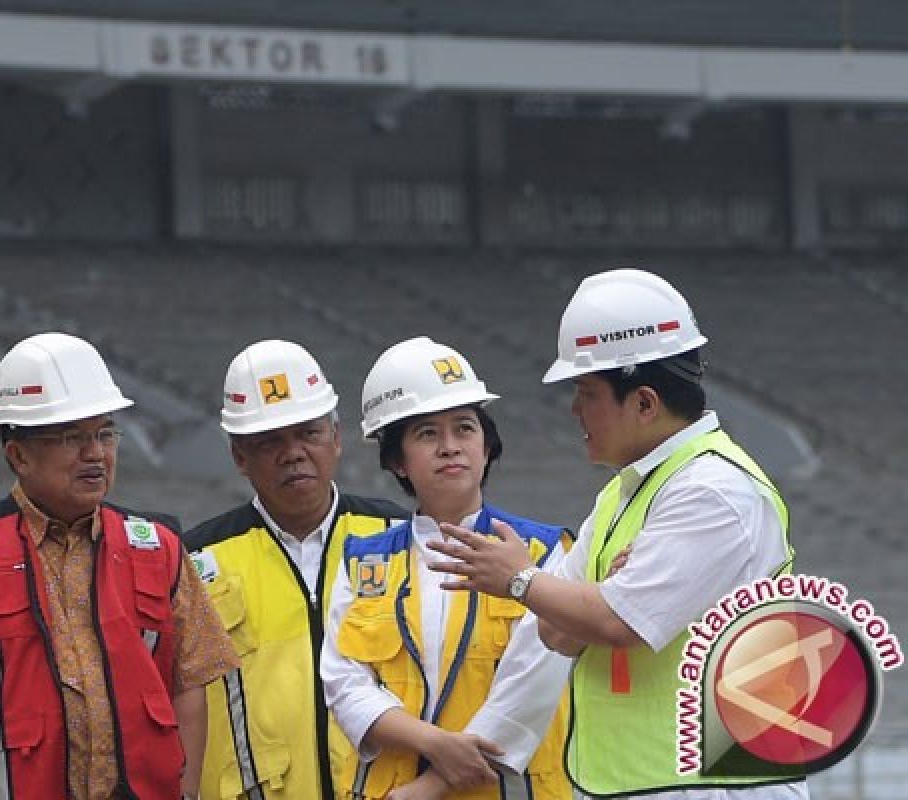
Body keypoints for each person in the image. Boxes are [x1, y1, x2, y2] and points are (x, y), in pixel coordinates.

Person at [428, 269, 803, 799]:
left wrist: (524, 582)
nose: (574, 410)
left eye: (586, 393)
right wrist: (583, 603)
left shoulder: (715, 491)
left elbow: (616, 622)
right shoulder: (624, 495)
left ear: (645, 402)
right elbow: (557, 634)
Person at [0, 332, 238, 800]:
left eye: (105, 433)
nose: (95, 453)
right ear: (18, 454)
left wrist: (187, 794)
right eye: (72, 437)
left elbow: (191, 680)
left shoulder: (161, 547)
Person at [321, 336, 574, 800]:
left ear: (487, 446)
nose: (450, 447)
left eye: (464, 428)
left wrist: (432, 786)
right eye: (427, 434)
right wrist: (432, 743)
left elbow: (536, 681)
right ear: (397, 460)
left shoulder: (542, 549)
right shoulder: (363, 560)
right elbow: (343, 681)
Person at [185, 339, 408, 800]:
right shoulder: (192, 561)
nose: (293, 453)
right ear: (239, 456)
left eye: (308, 433)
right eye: (270, 441)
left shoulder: (400, 537)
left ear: (337, 439)